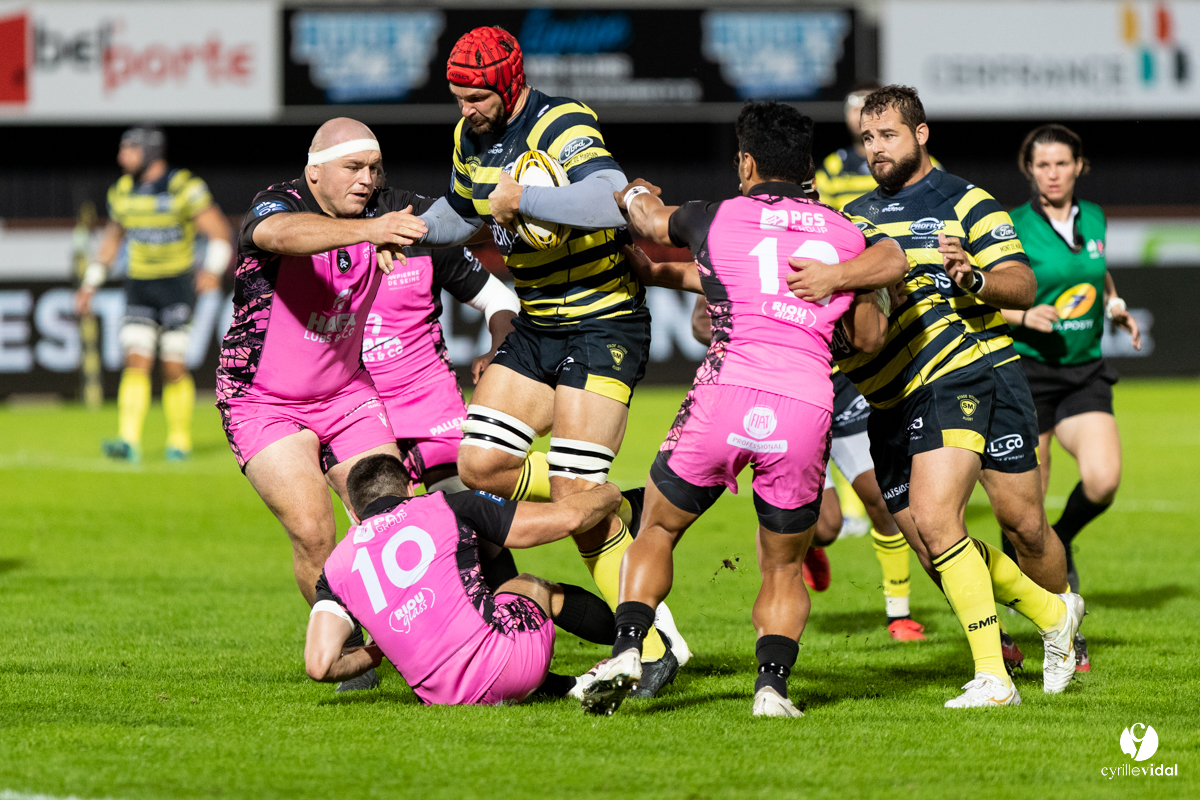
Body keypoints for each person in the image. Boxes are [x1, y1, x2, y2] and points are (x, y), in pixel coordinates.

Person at [582, 100, 912, 717]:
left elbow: (651, 221)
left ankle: (629, 647)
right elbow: (868, 338)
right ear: (808, 165)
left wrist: (625, 189)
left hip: (725, 393)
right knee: (783, 565)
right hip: (805, 402)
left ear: (747, 162)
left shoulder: (718, 216)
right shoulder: (844, 234)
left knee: (656, 527)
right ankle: (771, 690)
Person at [414, 25, 686, 692]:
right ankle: (603, 500)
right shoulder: (467, 137)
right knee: (481, 464)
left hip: (602, 323)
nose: (466, 109)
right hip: (538, 325)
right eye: (456, 97)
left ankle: (658, 643)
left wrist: (521, 200)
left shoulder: (561, 120)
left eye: (476, 96)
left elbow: (611, 196)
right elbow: (460, 210)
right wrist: (407, 231)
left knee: (572, 501)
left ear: (508, 84)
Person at [833, 85, 1085, 706]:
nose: (875, 148)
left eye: (887, 134)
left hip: (984, 374)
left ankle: (1066, 647)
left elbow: (1022, 285)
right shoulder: (857, 216)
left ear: (921, 135)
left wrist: (973, 275)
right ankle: (1004, 643)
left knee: (1023, 524)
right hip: (900, 387)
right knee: (924, 535)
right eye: (868, 138)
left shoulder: (965, 200)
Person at [217, 118, 427, 690]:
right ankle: (349, 651)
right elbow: (280, 236)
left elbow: (455, 227)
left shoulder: (382, 209)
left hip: (346, 396)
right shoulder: (278, 205)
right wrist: (371, 232)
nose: (367, 180)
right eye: (353, 168)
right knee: (314, 530)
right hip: (261, 400)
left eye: (374, 169)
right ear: (314, 172)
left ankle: (413, 641)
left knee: (391, 515)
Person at [693, 296, 925, 641]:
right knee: (828, 526)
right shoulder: (734, 243)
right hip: (784, 390)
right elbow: (700, 321)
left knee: (881, 496)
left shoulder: (837, 242)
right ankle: (804, 546)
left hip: (843, 385)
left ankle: (899, 615)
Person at [305, 454, 623, 705]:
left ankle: (569, 686)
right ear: (409, 489)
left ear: (356, 514)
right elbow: (568, 519)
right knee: (528, 587)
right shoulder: (444, 505)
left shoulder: (336, 565)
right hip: (511, 668)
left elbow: (320, 665)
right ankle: (639, 641)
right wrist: (610, 493)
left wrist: (377, 653)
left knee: (490, 608)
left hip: (443, 699)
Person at [1002, 124, 1142, 672]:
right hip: (1028, 373)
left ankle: (1062, 540)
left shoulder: (1097, 217)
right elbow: (981, 292)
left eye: (1062, 164)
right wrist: (1021, 314)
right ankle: (1055, 620)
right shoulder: (1013, 227)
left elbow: (1098, 273)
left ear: (1079, 166)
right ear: (1029, 169)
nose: (1053, 173)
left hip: (1083, 371)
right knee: (1024, 513)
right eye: (1042, 165)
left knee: (1103, 481)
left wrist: (1115, 307)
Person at [75, 126, 233, 462]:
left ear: (149, 152)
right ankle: (128, 439)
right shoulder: (122, 191)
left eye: (128, 150)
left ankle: (179, 440)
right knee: (136, 359)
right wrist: (89, 284)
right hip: (139, 286)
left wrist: (211, 270)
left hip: (176, 286)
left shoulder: (183, 187)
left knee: (173, 365)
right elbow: (111, 243)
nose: (121, 157)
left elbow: (220, 232)